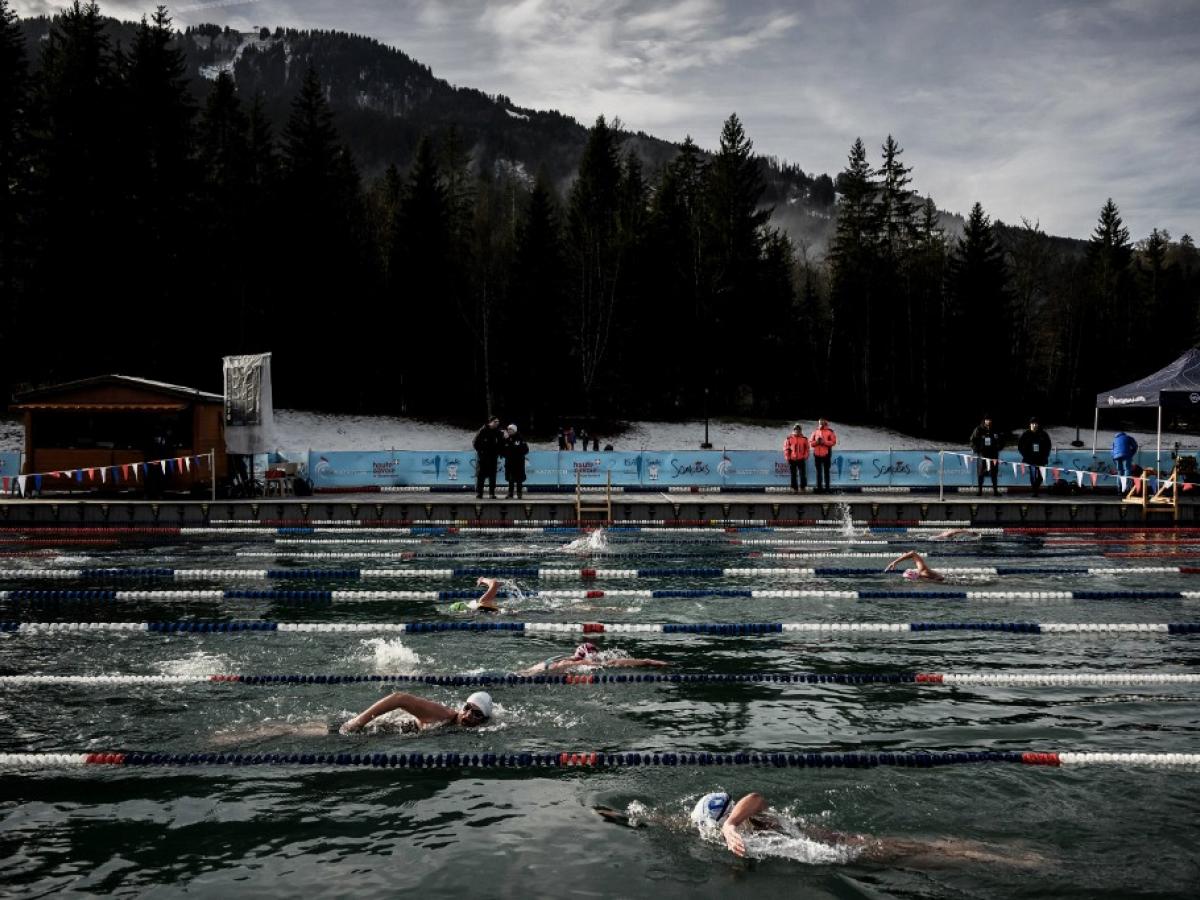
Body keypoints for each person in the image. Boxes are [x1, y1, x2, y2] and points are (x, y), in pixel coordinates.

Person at [602, 790, 1041, 865]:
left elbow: (755, 796)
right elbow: (671, 822)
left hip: (858, 851)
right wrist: (620, 816)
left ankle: (1016, 860)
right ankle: (1013, 854)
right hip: (855, 847)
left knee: (938, 857)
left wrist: (733, 828)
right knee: (937, 849)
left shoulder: (753, 820)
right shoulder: (734, 826)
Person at [340, 690, 493, 734]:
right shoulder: (442, 714)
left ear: (484, 720)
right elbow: (399, 698)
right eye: (467, 708)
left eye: (476, 714)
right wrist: (357, 722)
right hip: (382, 727)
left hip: (389, 733)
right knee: (329, 731)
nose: (467, 715)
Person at [516, 642, 668, 676]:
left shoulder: (558, 659)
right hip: (544, 674)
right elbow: (614, 662)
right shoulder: (585, 662)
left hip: (533, 670)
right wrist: (647, 661)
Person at [1016, 417, 1051, 497]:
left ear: (1038, 425)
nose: (1034, 425)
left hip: (1041, 459)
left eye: (1036, 424)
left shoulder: (1043, 434)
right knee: (1033, 475)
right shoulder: (1026, 434)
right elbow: (1020, 446)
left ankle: (1036, 487)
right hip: (1030, 459)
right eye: (1033, 424)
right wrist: (1025, 456)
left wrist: (1045, 456)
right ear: (1030, 425)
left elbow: (1048, 446)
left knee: (1041, 476)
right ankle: (1035, 492)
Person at [969, 415, 1003, 496]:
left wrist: (999, 447)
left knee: (994, 473)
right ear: (984, 421)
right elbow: (972, 440)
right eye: (987, 420)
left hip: (993, 455)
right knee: (980, 473)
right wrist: (976, 449)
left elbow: (1002, 440)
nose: (988, 421)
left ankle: (995, 491)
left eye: (990, 420)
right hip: (982, 455)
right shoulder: (978, 429)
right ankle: (979, 491)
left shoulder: (995, 430)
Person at [473, 416, 505, 499]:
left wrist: (500, 452)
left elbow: (501, 443)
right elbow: (475, 442)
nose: (497, 423)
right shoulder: (483, 430)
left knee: (492, 476)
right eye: (495, 422)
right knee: (481, 476)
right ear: (490, 422)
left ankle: (492, 493)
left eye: (498, 422)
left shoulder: (498, 432)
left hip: (493, 457)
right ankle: (479, 493)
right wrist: (481, 452)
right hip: (483, 457)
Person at [809, 419, 837, 492]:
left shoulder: (830, 432)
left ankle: (827, 488)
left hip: (826, 455)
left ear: (825, 423)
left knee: (826, 472)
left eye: (822, 423)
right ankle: (819, 488)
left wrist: (824, 442)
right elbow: (811, 443)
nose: (820, 424)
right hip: (817, 455)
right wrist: (817, 442)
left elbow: (833, 442)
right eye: (819, 423)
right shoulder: (815, 432)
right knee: (818, 472)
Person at [502, 424, 530, 498]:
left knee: (519, 479)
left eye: (510, 429)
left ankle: (519, 493)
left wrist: (518, 454)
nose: (508, 431)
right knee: (510, 479)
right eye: (508, 429)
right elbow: (504, 449)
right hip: (509, 462)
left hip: (518, 462)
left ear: (514, 430)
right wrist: (506, 455)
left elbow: (525, 450)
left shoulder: (520, 438)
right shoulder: (506, 439)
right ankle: (510, 493)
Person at [783, 424, 810, 493]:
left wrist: (805, 456)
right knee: (793, 474)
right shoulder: (789, 438)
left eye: (799, 430)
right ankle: (794, 488)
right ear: (794, 430)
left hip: (801, 459)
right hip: (792, 459)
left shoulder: (804, 439)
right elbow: (786, 449)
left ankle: (803, 487)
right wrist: (787, 457)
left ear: (801, 430)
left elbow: (807, 449)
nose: (797, 431)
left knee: (802, 474)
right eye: (796, 429)